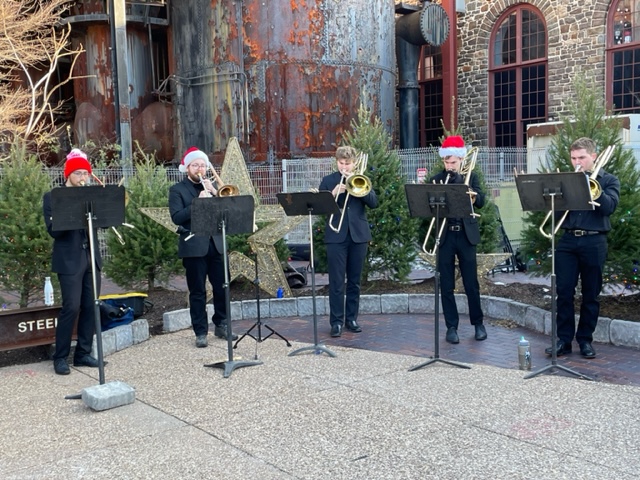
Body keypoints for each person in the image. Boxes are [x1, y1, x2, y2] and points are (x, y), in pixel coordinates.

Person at [546, 137, 620, 359]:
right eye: (573, 158)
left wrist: (592, 189)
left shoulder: (608, 180)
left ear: (593, 156)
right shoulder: (566, 180)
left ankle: (585, 340)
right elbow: (555, 214)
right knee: (563, 292)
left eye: (581, 158)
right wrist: (556, 196)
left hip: (594, 241)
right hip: (568, 241)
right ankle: (564, 340)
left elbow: (609, 208)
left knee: (591, 294)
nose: (577, 162)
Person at [169, 147, 237, 348]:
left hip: (216, 244)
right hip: (194, 246)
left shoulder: (212, 186)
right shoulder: (178, 190)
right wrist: (197, 203)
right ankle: (200, 331)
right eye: (195, 165)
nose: (200, 168)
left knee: (223, 287)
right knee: (197, 291)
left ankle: (222, 323)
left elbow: (230, 211)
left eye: (203, 165)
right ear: (187, 167)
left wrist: (216, 193)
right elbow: (176, 217)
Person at [42, 149, 103, 375]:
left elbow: (104, 223)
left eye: (85, 174)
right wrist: (72, 211)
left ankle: (83, 353)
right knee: (71, 307)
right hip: (69, 260)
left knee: (90, 306)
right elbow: (53, 231)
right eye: (77, 174)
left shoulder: (91, 195)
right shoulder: (53, 197)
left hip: (91, 257)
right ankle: (60, 357)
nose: (82, 178)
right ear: (68, 175)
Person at [429, 135, 487, 344]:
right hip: (445, 234)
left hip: (465, 234)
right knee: (446, 284)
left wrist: (467, 189)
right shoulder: (436, 179)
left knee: (471, 283)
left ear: (461, 160)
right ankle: (451, 327)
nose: (449, 165)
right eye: (446, 161)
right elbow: (428, 207)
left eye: (453, 162)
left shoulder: (471, 178)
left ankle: (478, 324)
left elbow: (481, 200)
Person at [319, 146, 378, 337]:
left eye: (348, 163)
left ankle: (351, 319)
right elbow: (320, 207)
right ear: (337, 162)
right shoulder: (328, 181)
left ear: (354, 163)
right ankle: (336, 322)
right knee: (336, 281)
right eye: (342, 163)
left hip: (358, 236)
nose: (345, 167)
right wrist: (333, 193)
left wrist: (360, 191)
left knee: (354, 281)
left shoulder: (361, 178)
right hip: (335, 236)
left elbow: (374, 203)